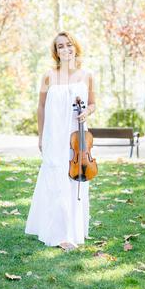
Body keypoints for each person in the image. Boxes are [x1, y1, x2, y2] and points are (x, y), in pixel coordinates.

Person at [24, 31, 96, 250]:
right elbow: (41, 106)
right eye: (61, 46)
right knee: (55, 179)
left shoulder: (87, 76)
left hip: (76, 137)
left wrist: (87, 113)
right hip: (54, 134)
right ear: (56, 52)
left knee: (73, 181)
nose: (66, 50)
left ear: (76, 47)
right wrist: (40, 134)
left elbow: (92, 103)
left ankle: (72, 231)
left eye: (69, 45)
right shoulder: (49, 76)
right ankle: (59, 234)